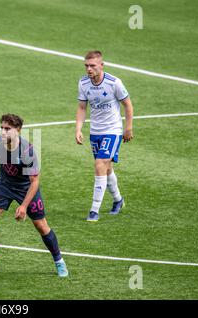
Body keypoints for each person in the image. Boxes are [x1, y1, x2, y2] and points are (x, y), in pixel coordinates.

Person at [0, 114, 69, 278]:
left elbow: (34, 182)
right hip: (5, 185)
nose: (3, 132)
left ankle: (59, 262)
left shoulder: (27, 151)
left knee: (41, 226)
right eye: (2, 128)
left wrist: (23, 206)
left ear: (18, 130)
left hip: (26, 188)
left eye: (7, 129)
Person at [75, 50, 134, 222]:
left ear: (101, 65)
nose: (89, 69)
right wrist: (78, 129)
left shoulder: (114, 82)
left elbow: (128, 105)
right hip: (95, 132)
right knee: (107, 169)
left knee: (99, 164)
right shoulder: (83, 83)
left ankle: (94, 210)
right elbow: (81, 108)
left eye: (92, 65)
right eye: (86, 65)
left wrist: (128, 128)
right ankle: (118, 200)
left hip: (113, 131)